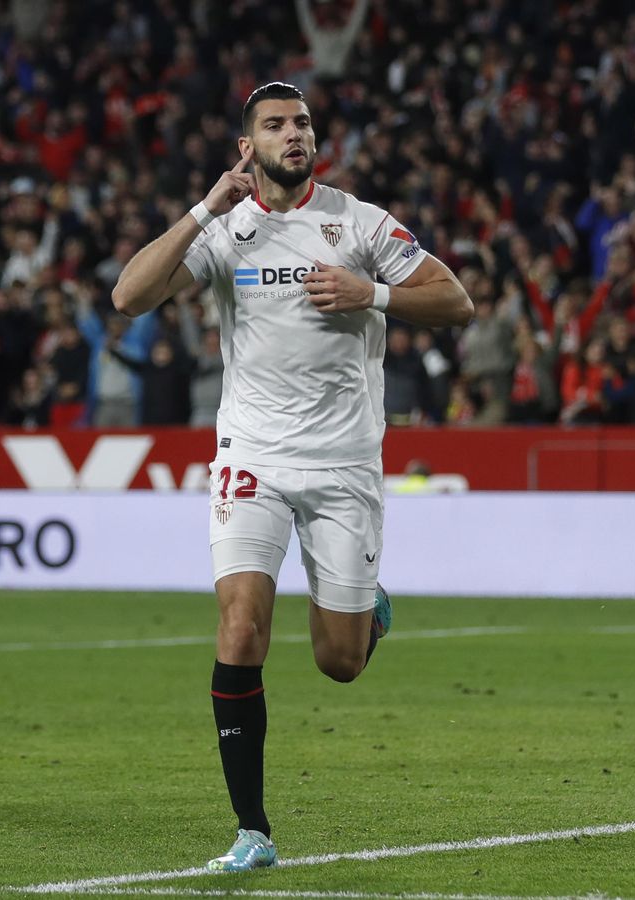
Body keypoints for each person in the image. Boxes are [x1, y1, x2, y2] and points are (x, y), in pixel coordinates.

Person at [111, 82, 473, 871]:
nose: (294, 134)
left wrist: (373, 293)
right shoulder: (226, 230)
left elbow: (457, 300)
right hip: (252, 457)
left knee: (339, 662)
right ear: (248, 147)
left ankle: (368, 612)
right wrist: (204, 209)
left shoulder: (359, 223)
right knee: (240, 628)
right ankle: (253, 831)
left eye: (302, 122)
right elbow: (129, 295)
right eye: (275, 125)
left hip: (344, 463)